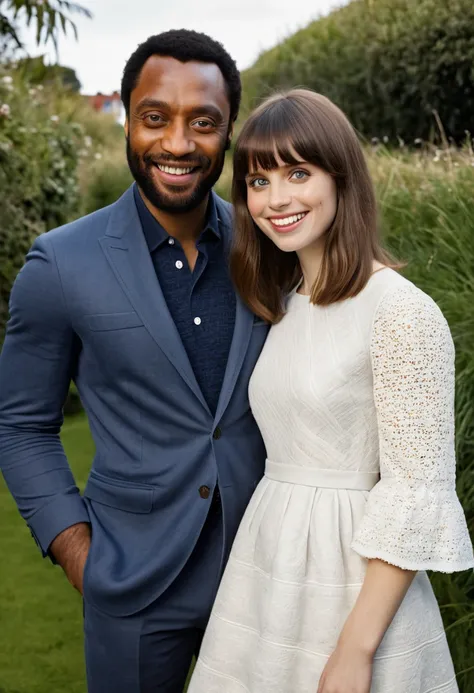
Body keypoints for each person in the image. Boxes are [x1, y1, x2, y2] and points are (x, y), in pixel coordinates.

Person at [0, 30, 268, 693]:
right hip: (135, 586)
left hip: (268, 576)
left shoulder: (269, 248)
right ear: (128, 117)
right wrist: (78, 552)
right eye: (156, 117)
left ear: (228, 131)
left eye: (202, 122)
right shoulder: (61, 263)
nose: (178, 143)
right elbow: (22, 425)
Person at [188, 89, 474, 693]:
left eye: (298, 172)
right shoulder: (286, 305)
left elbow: (415, 494)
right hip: (270, 564)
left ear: (341, 178)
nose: (277, 199)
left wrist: (356, 649)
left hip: (352, 582)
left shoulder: (401, 312)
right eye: (259, 181)